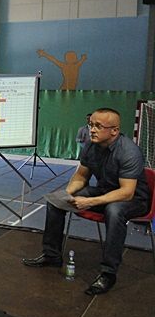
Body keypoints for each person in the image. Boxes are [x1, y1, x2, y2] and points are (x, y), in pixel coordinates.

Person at [22, 108, 150, 295]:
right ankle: (52, 255)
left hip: (134, 199)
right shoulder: (91, 145)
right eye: (91, 124)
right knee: (56, 201)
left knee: (114, 211)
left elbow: (126, 193)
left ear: (114, 130)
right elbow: (81, 176)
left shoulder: (129, 152)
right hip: (104, 191)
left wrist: (90, 202)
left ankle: (108, 273)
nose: (92, 130)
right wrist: (67, 194)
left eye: (98, 126)